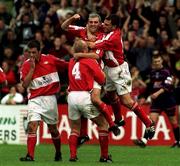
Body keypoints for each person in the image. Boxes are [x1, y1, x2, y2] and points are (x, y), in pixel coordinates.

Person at [88, 14, 155, 139]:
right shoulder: (107, 29)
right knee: (110, 94)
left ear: (114, 26)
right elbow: (95, 27)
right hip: (108, 69)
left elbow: (94, 45)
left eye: (107, 25)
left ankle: (149, 123)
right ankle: (118, 119)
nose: (103, 25)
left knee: (126, 101)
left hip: (119, 71)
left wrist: (85, 41)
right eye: (104, 23)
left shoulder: (114, 36)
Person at [61, 13, 120, 142]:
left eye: (95, 22)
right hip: (82, 73)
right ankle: (84, 134)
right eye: (91, 22)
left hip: (96, 72)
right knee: (79, 103)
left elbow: (97, 56)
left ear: (100, 24)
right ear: (87, 23)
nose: (93, 24)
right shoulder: (82, 31)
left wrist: (78, 54)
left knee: (94, 99)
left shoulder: (103, 36)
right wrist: (72, 18)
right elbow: (63, 27)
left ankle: (112, 123)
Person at [19, 40, 68, 161]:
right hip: (35, 99)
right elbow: (24, 85)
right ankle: (30, 156)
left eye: (34, 52)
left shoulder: (50, 59)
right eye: (29, 53)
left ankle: (58, 153)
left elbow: (67, 65)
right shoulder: (26, 65)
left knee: (53, 130)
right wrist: (32, 69)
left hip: (50, 99)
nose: (31, 55)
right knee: (32, 126)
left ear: (39, 51)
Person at [68, 38, 112, 163]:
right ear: (84, 50)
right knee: (103, 124)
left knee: (75, 129)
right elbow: (102, 80)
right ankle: (104, 157)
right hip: (84, 95)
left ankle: (72, 155)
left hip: (71, 96)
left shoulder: (71, 61)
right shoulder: (89, 60)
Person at [134, 54, 179, 147]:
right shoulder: (152, 72)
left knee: (174, 122)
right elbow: (150, 87)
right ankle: (144, 141)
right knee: (151, 121)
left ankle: (178, 141)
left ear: (161, 61)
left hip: (168, 100)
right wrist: (144, 97)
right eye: (155, 62)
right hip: (156, 102)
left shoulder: (167, 71)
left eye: (158, 61)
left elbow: (168, 85)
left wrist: (157, 93)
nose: (157, 63)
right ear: (153, 63)